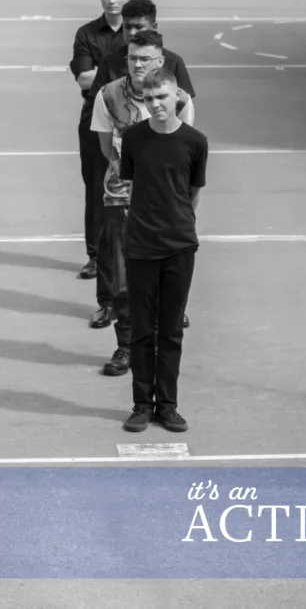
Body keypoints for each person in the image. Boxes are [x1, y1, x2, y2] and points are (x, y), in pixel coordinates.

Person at [90, 30, 195, 377]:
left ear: (161, 61)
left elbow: (184, 151)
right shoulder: (107, 95)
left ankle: (155, 343)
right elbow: (107, 149)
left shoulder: (179, 100)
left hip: (165, 203)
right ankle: (125, 345)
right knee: (122, 279)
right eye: (133, 57)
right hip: (120, 198)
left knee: (161, 278)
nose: (137, 64)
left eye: (145, 58)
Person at [118, 68, 207, 434]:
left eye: (163, 97)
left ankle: (167, 405)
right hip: (140, 247)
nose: (156, 104)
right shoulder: (134, 138)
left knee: (171, 331)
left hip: (179, 247)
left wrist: (179, 223)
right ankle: (142, 404)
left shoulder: (195, 141)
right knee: (142, 330)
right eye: (150, 98)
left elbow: (194, 191)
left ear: (177, 98)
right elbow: (128, 184)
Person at [70, 0, 132, 284]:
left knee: (137, 186)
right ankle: (95, 256)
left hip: (135, 117)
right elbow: (82, 78)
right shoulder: (87, 33)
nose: (112, 1)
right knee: (96, 187)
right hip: (96, 116)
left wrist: (101, 72)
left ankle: (132, 251)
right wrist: (123, 74)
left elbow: (150, 70)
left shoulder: (137, 33)